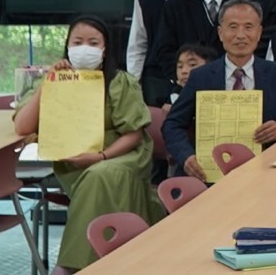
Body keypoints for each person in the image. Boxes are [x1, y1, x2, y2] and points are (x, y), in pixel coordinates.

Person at [14, 16, 164, 272]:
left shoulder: (119, 81)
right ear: (68, 46)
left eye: (93, 43)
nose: (85, 48)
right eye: (78, 42)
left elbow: (134, 135)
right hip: (73, 162)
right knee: (96, 178)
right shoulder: (55, 80)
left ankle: (69, 266)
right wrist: (49, 83)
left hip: (121, 154)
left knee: (100, 175)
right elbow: (22, 127)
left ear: (105, 50)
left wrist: (101, 157)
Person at [162, 0, 276, 182]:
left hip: (263, 171)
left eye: (248, 27)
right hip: (209, 174)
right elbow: (172, 124)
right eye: (233, 27)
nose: (241, 35)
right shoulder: (201, 76)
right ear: (220, 33)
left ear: (259, 33)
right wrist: (186, 156)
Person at [146, 0, 234, 106]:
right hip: (185, 92)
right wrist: (182, 79)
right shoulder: (176, 6)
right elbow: (165, 49)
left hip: (230, 91)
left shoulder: (243, 6)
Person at [162, 42, 216, 113]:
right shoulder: (174, 96)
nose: (184, 71)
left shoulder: (219, 92)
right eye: (180, 66)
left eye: (192, 65)